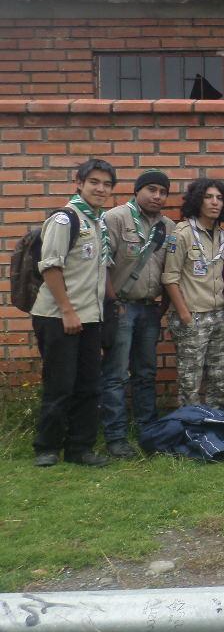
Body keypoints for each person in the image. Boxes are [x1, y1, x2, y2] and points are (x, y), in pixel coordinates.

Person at [31, 159, 117, 467]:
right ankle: (47, 447)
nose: (101, 189)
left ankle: (80, 448)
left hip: (90, 317)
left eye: (107, 184)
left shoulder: (97, 221)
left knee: (89, 384)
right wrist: (67, 311)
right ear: (78, 183)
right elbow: (50, 267)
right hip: (58, 315)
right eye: (94, 182)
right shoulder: (66, 220)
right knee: (60, 383)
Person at [97, 170, 176, 459]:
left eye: (163, 192)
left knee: (146, 373)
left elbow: (171, 269)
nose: (157, 196)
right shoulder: (115, 218)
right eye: (151, 190)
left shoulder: (168, 225)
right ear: (137, 190)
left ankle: (148, 430)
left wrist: (163, 305)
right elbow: (103, 264)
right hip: (122, 307)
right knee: (116, 375)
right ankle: (116, 437)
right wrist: (112, 302)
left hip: (149, 309)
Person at [162, 178, 224, 410]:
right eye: (208, 197)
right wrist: (185, 315)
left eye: (219, 198)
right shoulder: (182, 233)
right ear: (197, 200)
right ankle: (191, 429)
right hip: (192, 316)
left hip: (219, 316)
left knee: (222, 378)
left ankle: (220, 425)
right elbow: (170, 278)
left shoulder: (223, 237)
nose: (215, 202)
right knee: (190, 380)